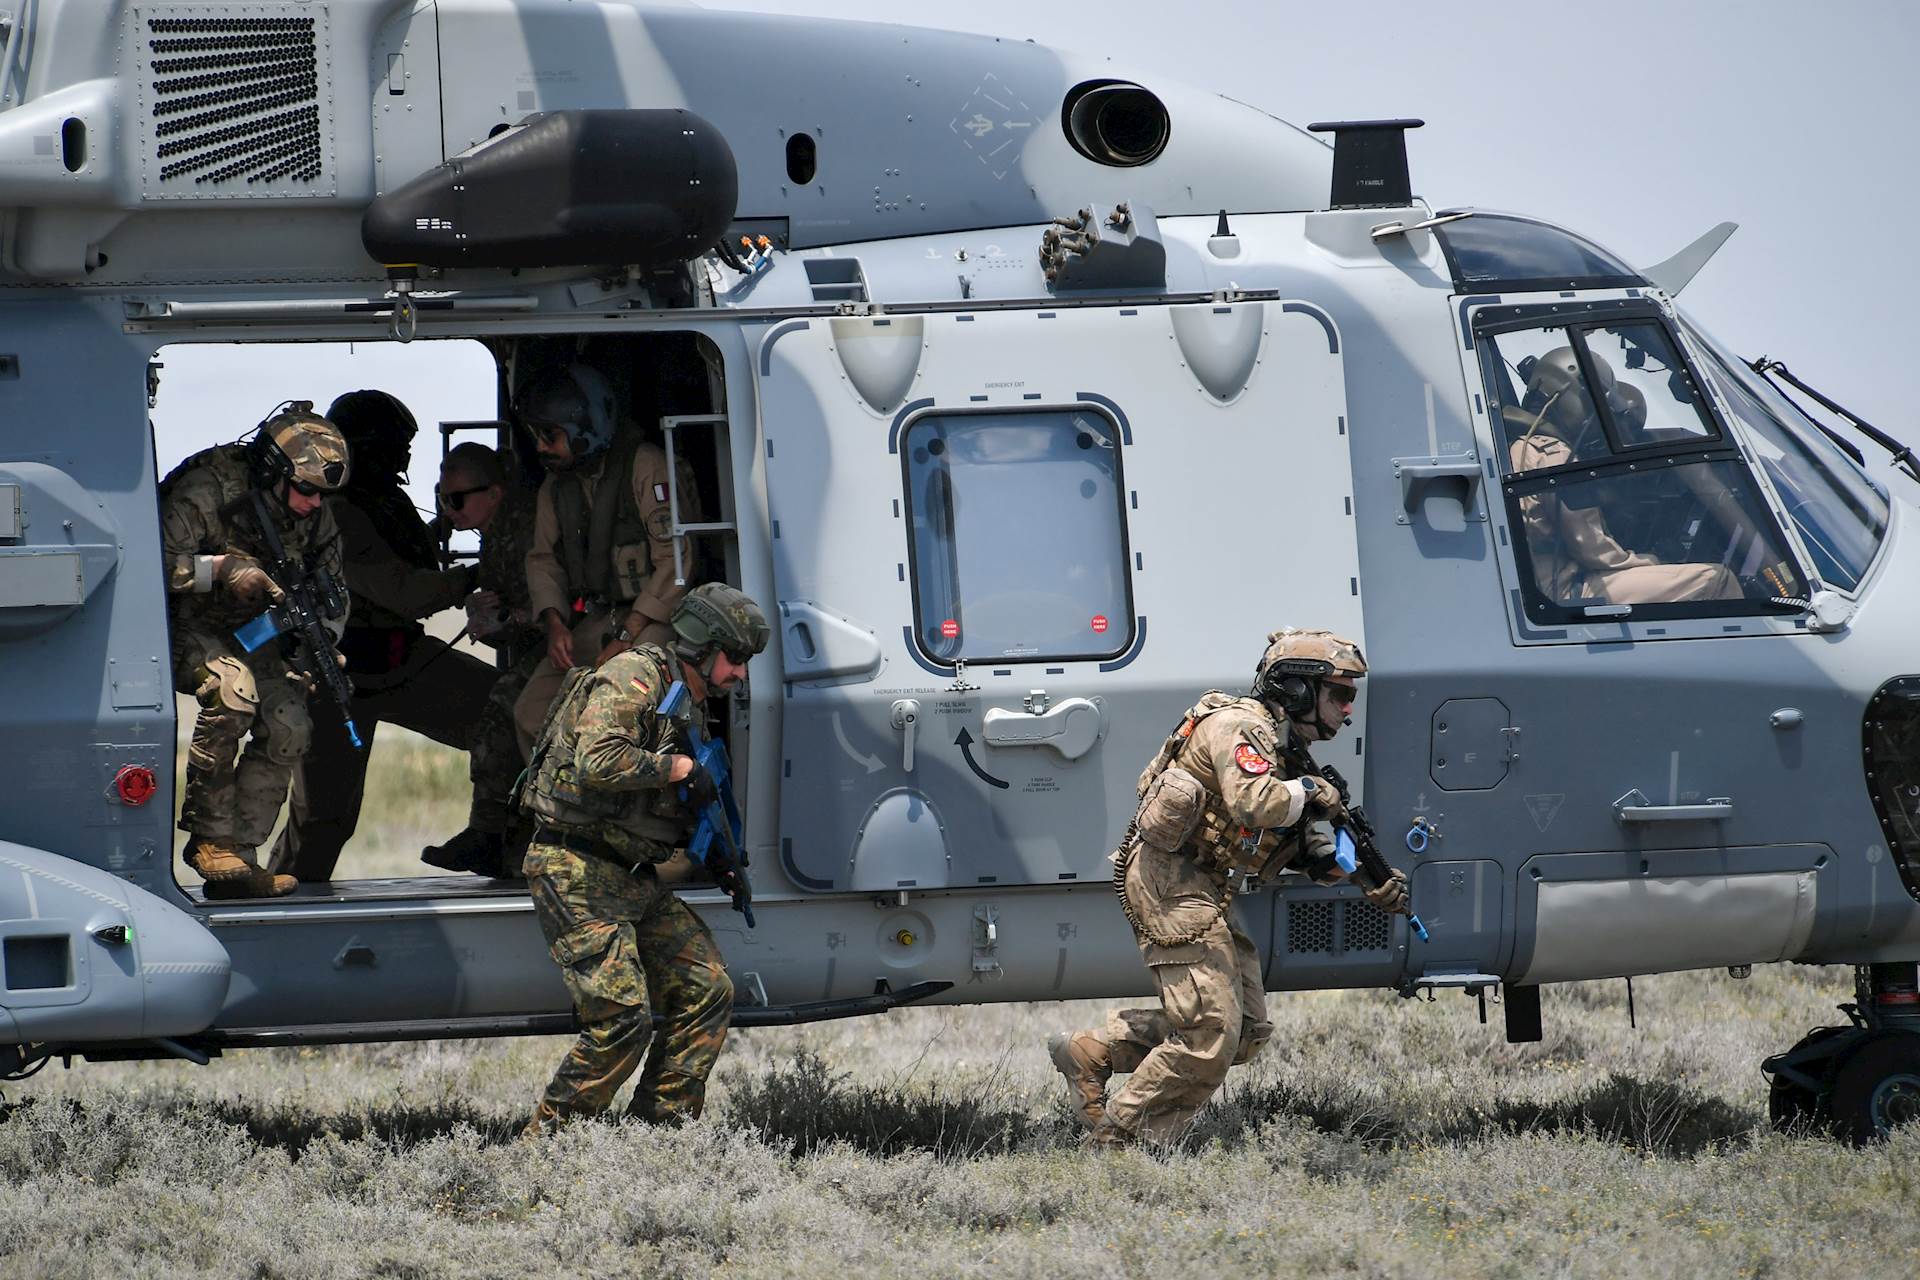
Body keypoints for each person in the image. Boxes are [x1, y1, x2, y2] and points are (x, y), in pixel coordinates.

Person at [1047, 628, 1410, 1145]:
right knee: (1210, 1032)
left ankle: (1092, 1052)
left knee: (1243, 1031)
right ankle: (1120, 1142)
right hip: (1169, 879)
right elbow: (1254, 803)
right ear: (1298, 688)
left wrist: (1361, 877)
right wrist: (1311, 790)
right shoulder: (1241, 726)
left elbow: (1303, 851)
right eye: (1340, 694)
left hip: (1205, 887)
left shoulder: (1285, 747)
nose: (1348, 710)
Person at [518, 582, 770, 1133]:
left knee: (707, 990)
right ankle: (545, 1150)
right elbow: (596, 760)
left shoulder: (690, 703)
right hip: (576, 867)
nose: (740, 673)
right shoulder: (635, 675)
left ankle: (657, 1136)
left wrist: (719, 857)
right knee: (622, 1023)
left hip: (630, 873)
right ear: (704, 647)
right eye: (735, 658)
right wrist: (679, 769)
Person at [269, 390, 497, 882]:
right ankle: (286, 903)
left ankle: (496, 838)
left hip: (399, 658)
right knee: (324, 819)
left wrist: (453, 524)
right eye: (396, 446)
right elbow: (403, 591)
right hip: (338, 675)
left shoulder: (382, 501)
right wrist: (478, 575)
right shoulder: (336, 514)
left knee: (503, 715)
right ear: (367, 449)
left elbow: (402, 564)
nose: (404, 457)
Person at [160, 402, 351, 899]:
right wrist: (221, 570)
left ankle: (240, 862)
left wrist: (320, 645)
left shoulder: (316, 517)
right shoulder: (207, 491)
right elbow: (150, 562)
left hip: (255, 634)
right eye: (306, 489)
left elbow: (333, 588)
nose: (314, 502)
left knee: (291, 725)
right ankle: (210, 839)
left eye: (323, 493)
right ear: (272, 472)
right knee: (233, 691)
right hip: (183, 627)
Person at [510, 363, 698, 758]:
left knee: (618, 710)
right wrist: (555, 623)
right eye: (537, 436)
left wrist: (627, 636)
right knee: (531, 711)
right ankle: (564, 794)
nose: (541, 447)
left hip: (656, 619)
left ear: (585, 428)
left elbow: (674, 563)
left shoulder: (646, 467)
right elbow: (542, 559)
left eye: (550, 435)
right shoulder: (556, 487)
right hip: (602, 619)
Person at [1505, 347, 1742, 606]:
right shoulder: (1554, 455)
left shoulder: (1519, 446)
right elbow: (1592, 549)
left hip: (1543, 586)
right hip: (1564, 591)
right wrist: (1652, 562)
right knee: (1716, 581)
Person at [422, 441, 543, 875]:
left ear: (493, 494)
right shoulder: (495, 536)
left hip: (570, 644)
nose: (448, 510)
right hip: (537, 648)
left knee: (501, 705)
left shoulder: (528, 531)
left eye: (456, 500)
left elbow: (565, 605)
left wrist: (508, 618)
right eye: (442, 499)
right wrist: (489, 617)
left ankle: (490, 834)